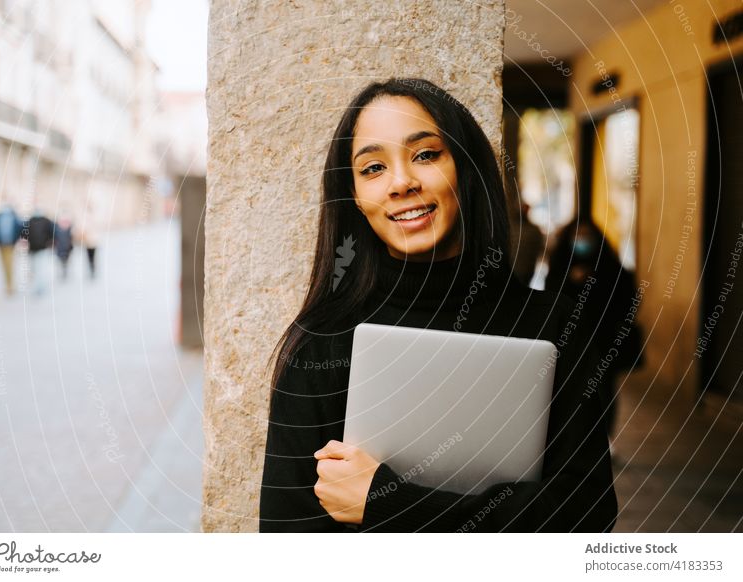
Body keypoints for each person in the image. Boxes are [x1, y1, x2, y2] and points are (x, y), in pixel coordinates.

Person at [259, 78, 617, 533]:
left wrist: (393, 504)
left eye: (425, 155)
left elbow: (586, 514)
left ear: (465, 167)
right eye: (372, 168)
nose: (402, 182)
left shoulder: (555, 323)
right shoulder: (321, 342)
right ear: (355, 197)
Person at [545, 219, 644, 437]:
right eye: (577, 236)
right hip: (570, 341)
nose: (582, 241)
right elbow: (550, 298)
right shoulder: (560, 267)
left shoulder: (611, 268)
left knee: (604, 390)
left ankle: (605, 437)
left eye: (587, 235)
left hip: (604, 339)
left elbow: (629, 299)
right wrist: (569, 281)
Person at [0, 204, 24, 295]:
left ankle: (10, 285)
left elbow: (19, 229)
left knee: (9, 265)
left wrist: (17, 240)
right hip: (1, 244)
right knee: (5, 265)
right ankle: (9, 285)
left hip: (10, 245)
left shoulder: (14, 217)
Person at [24, 210, 55, 295]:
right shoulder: (32, 221)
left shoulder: (32, 221)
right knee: (37, 269)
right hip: (36, 249)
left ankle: (39, 288)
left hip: (39, 248)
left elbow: (24, 235)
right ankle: (38, 287)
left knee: (38, 269)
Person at [53, 216, 74, 281]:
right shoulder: (57, 228)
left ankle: (64, 272)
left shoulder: (69, 229)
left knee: (65, 261)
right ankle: (62, 272)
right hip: (60, 248)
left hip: (67, 248)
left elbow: (71, 238)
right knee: (60, 261)